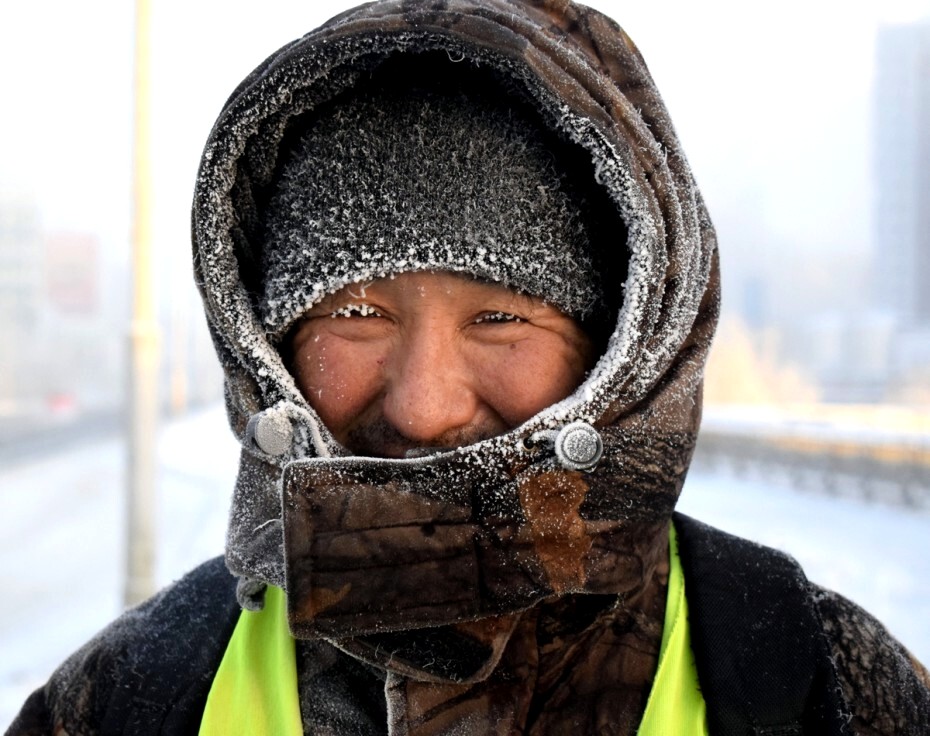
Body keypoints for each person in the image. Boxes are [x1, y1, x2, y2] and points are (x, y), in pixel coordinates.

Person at [8, 1, 930, 734]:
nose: (422, 406)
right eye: (357, 314)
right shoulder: (132, 698)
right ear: (268, 342)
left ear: (619, 346)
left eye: (499, 318)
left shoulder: (815, 684)